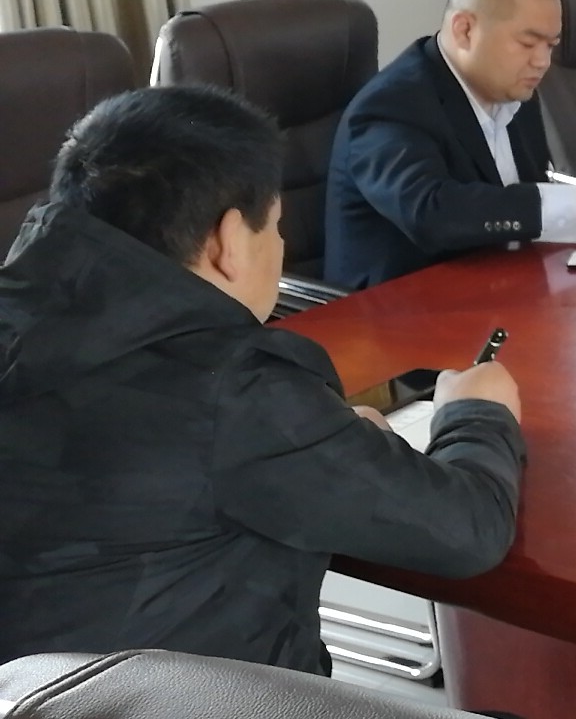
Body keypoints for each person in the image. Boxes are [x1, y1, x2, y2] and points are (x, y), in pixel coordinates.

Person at [0, 87, 526, 675]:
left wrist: (315, 436)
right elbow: (468, 531)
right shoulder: (234, 388)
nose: (279, 246)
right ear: (228, 240)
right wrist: (476, 412)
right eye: (274, 226)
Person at [325, 0, 576, 289]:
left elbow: (520, 203)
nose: (542, 61)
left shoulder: (515, 91)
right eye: (527, 43)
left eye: (550, 45)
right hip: (398, 308)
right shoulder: (391, 106)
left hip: (497, 288)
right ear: (465, 30)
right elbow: (433, 213)